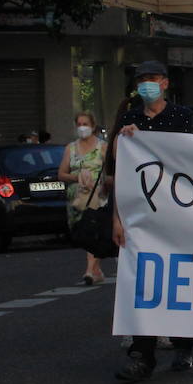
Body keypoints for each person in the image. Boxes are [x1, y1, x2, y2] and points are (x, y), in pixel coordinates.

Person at [113, 60, 193, 383]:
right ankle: (142, 356)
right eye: (141, 80)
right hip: (140, 214)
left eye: (152, 79)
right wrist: (117, 219)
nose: (146, 85)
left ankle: (183, 343)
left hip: (176, 210)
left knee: (178, 277)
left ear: (164, 83)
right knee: (143, 281)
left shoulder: (182, 116)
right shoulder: (129, 119)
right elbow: (119, 170)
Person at [58, 111, 106, 285]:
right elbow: (62, 174)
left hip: (97, 195)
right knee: (83, 233)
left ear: (93, 126)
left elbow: (110, 171)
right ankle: (96, 269)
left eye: (85, 124)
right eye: (79, 124)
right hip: (76, 198)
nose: (82, 127)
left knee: (93, 230)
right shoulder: (70, 148)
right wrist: (77, 177)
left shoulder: (102, 147)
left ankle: (90, 270)